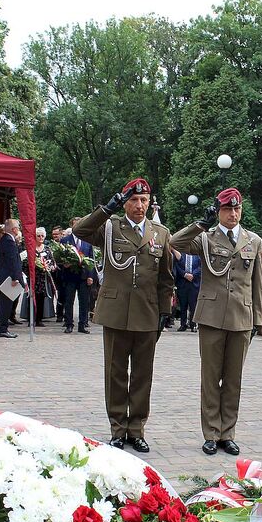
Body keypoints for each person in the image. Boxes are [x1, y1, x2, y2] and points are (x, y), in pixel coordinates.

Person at [74, 178, 174, 453]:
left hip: (147, 312)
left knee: (143, 375)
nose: (139, 205)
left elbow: (166, 277)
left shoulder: (160, 233)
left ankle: (136, 429)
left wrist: (165, 311)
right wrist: (108, 207)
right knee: (116, 373)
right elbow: (81, 230)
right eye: (133, 200)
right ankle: (118, 428)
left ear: (149, 202)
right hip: (116, 312)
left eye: (143, 200)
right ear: (125, 202)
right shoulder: (109, 227)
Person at [170, 187, 262, 456]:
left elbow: (258, 283)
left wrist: (258, 319)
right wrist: (202, 222)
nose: (233, 214)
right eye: (227, 209)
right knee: (211, 378)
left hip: (241, 317)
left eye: (236, 209)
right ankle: (211, 432)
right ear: (219, 212)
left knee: (234, 379)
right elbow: (175, 243)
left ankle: (228, 433)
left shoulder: (252, 240)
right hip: (211, 317)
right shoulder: (205, 238)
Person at [60, 218, 97, 334]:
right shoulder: (65, 240)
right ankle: (69, 324)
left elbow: (91, 260)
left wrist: (91, 276)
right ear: (72, 226)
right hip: (70, 275)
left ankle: (82, 324)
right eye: (76, 225)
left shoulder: (87, 241)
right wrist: (64, 264)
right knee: (69, 301)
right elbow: (60, 258)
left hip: (84, 277)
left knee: (84, 302)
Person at [0, 219, 24, 339]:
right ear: (14, 229)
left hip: (6, 275)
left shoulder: (6, 240)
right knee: (6, 304)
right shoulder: (8, 241)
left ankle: (3, 328)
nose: (19, 229)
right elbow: (12, 261)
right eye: (18, 227)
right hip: (8, 277)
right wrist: (15, 277)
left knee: (6, 304)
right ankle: (2, 329)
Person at [32, 227, 56, 327]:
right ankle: (32, 318)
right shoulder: (31, 248)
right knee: (33, 298)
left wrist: (50, 267)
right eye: (38, 236)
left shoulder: (47, 249)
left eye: (42, 236)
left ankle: (39, 319)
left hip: (44, 278)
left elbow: (53, 262)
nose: (41, 238)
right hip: (34, 277)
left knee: (42, 298)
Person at [174, 249, 201, 331]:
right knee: (183, 306)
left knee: (193, 306)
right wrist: (184, 274)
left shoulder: (198, 256)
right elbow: (177, 265)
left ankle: (193, 324)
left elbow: (201, 267)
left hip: (194, 284)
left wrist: (193, 275)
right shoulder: (181, 255)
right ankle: (183, 324)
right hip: (183, 284)